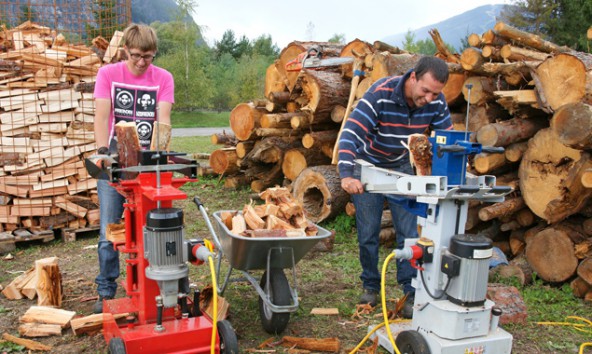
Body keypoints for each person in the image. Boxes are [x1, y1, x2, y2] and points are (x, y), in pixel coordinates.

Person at [337, 56, 452, 318]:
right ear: (413, 77)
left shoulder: (436, 101)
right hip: (367, 167)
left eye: (436, 93)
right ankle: (370, 286)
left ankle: (410, 289)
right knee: (368, 232)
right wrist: (346, 174)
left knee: (409, 231)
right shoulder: (380, 93)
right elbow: (350, 133)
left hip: (401, 166)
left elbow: (446, 139)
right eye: (425, 91)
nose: (430, 98)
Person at [92, 23, 175, 313]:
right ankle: (106, 291)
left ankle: (155, 286)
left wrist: (160, 156)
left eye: (148, 57)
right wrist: (103, 152)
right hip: (115, 156)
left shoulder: (163, 77)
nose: (142, 62)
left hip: (147, 159)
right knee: (110, 229)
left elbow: (162, 119)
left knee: (155, 226)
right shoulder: (108, 74)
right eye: (137, 55)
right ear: (125, 49)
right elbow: (102, 116)